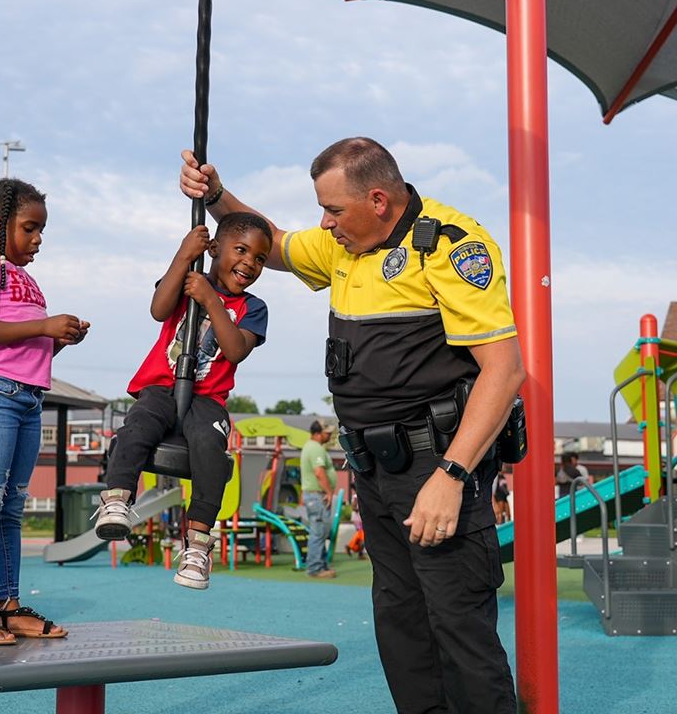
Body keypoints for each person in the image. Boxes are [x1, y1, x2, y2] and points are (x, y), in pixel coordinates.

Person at [181, 137, 524, 712]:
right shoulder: (343, 243)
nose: (325, 222)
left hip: (434, 469)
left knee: (458, 629)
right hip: (374, 470)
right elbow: (278, 244)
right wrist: (216, 196)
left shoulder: (449, 245)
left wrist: (451, 475)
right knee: (401, 628)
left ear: (378, 200)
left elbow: (505, 369)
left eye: (333, 210)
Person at [93, 213, 272, 591]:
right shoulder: (190, 279)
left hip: (207, 398)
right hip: (160, 386)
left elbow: (235, 350)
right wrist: (182, 255)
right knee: (136, 427)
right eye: (241, 250)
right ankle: (117, 500)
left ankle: (197, 544)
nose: (250, 263)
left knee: (210, 446)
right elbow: (159, 309)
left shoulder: (253, 308)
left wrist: (212, 300)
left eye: (259, 258)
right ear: (213, 249)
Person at [0, 178, 89, 645]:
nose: (37, 240)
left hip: (29, 398)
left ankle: (7, 607)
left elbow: (32, 352)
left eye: (41, 232)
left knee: (12, 506)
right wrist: (45, 324)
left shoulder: (28, 280)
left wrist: (58, 339)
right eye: (29, 228)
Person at [300, 420, 338, 578]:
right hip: (317, 496)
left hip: (313, 495)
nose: (329, 435)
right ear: (317, 433)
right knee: (318, 532)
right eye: (327, 432)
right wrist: (329, 492)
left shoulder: (310, 447)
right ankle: (315, 568)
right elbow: (319, 472)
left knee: (319, 531)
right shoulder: (316, 449)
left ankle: (320, 565)